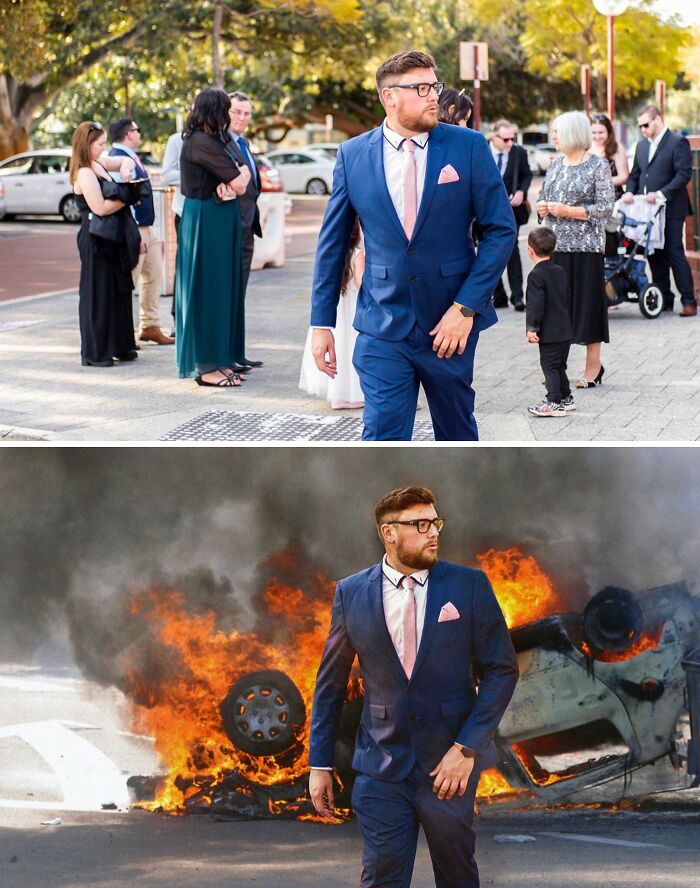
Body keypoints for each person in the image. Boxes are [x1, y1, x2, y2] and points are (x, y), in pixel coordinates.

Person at [309, 486, 518, 888]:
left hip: (448, 769)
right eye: (420, 525)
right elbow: (330, 684)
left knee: (458, 877)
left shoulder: (468, 586)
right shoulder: (351, 592)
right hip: (380, 767)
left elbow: (502, 670)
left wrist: (466, 749)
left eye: (435, 522)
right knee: (381, 879)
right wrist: (319, 764)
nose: (434, 532)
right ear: (389, 533)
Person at [310, 50, 516, 441]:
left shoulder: (468, 146)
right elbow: (332, 243)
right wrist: (321, 323)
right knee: (382, 437)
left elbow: (501, 230)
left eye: (434, 86)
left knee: (457, 437)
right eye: (422, 88)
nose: (434, 96)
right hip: (381, 325)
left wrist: (466, 308)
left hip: (449, 326)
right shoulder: (352, 155)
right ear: (390, 97)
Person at [175, 87, 251, 387]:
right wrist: (236, 178)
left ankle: (221, 359)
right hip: (206, 221)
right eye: (225, 110)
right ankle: (207, 367)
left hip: (219, 219)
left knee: (224, 291)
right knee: (209, 292)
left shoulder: (213, 140)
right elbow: (240, 181)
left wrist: (236, 177)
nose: (228, 116)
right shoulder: (200, 142)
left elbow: (241, 173)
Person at [536, 111, 614, 389]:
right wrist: (541, 206)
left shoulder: (598, 166)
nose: (553, 137)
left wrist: (569, 211)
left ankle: (593, 366)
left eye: (557, 132)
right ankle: (557, 368)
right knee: (557, 310)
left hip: (587, 250)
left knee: (587, 306)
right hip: (556, 248)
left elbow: (605, 209)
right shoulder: (555, 165)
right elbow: (543, 195)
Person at [70, 121, 141, 367]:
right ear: (86, 145)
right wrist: (128, 197)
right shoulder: (84, 173)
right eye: (99, 144)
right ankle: (97, 349)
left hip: (113, 237)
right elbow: (99, 207)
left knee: (117, 290)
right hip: (96, 239)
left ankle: (120, 345)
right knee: (98, 292)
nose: (103, 148)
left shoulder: (98, 163)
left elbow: (123, 161)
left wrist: (127, 168)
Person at [623, 104, 695, 316]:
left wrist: (662, 194)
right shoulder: (641, 146)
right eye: (640, 126)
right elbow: (636, 174)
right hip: (648, 210)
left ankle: (689, 301)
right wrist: (629, 192)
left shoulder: (677, 142)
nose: (643, 129)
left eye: (646, 124)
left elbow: (683, 174)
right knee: (655, 254)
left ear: (657, 119)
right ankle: (665, 300)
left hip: (672, 207)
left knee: (674, 251)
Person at [108, 117, 174, 346]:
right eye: (137, 130)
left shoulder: (129, 156)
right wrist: (134, 233)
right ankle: (123, 332)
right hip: (134, 228)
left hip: (147, 227)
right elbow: (122, 196)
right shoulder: (116, 159)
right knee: (130, 280)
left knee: (153, 276)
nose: (139, 133)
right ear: (128, 134)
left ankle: (150, 325)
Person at [299, 220, 364, 408]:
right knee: (350, 348)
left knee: (338, 351)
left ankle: (338, 396)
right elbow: (361, 284)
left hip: (337, 312)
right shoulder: (358, 255)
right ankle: (354, 395)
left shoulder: (338, 255)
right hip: (351, 311)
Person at [226, 91, 264, 370]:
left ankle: (236, 351)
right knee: (229, 292)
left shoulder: (244, 142)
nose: (242, 118)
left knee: (240, 293)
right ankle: (226, 353)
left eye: (247, 113)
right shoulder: (222, 143)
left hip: (248, 225)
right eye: (236, 112)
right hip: (231, 226)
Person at [525, 227, 574, 417]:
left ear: (530, 250)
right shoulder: (559, 271)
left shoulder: (536, 275)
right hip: (564, 329)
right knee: (560, 365)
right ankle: (566, 397)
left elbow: (535, 304)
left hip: (549, 332)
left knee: (550, 366)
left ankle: (553, 401)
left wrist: (532, 328)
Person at [489, 119, 533, 311]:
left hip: (512, 210)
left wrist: (522, 192)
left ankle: (517, 296)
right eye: (505, 139)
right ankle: (498, 295)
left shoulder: (519, 152)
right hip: (485, 210)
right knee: (488, 251)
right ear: (494, 137)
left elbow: (527, 174)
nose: (509, 143)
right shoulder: (480, 148)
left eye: (512, 139)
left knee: (512, 250)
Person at [589, 113, 629, 257]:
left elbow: (624, 176)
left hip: (613, 204)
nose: (597, 136)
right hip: (591, 204)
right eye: (594, 132)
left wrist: (602, 182)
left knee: (611, 245)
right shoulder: (587, 148)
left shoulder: (617, 149)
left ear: (609, 132)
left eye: (601, 132)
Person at [161, 127, 185, 337]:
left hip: (216, 213)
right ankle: (178, 319)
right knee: (184, 266)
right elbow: (167, 175)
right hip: (186, 212)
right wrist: (198, 174)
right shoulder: (177, 140)